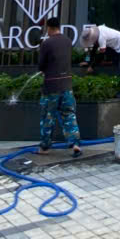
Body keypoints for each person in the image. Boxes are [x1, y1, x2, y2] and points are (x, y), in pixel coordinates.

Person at [36, 16, 81, 158]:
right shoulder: (68, 41)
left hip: (51, 86)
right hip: (67, 85)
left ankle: (45, 147)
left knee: (47, 117)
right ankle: (75, 144)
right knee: (69, 115)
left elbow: (41, 65)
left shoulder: (46, 43)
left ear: (49, 28)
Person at [80, 23, 120, 96]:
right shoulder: (97, 31)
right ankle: (111, 61)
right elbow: (94, 50)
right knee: (104, 51)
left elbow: (101, 54)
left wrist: (92, 67)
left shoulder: (101, 37)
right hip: (116, 48)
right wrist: (88, 62)